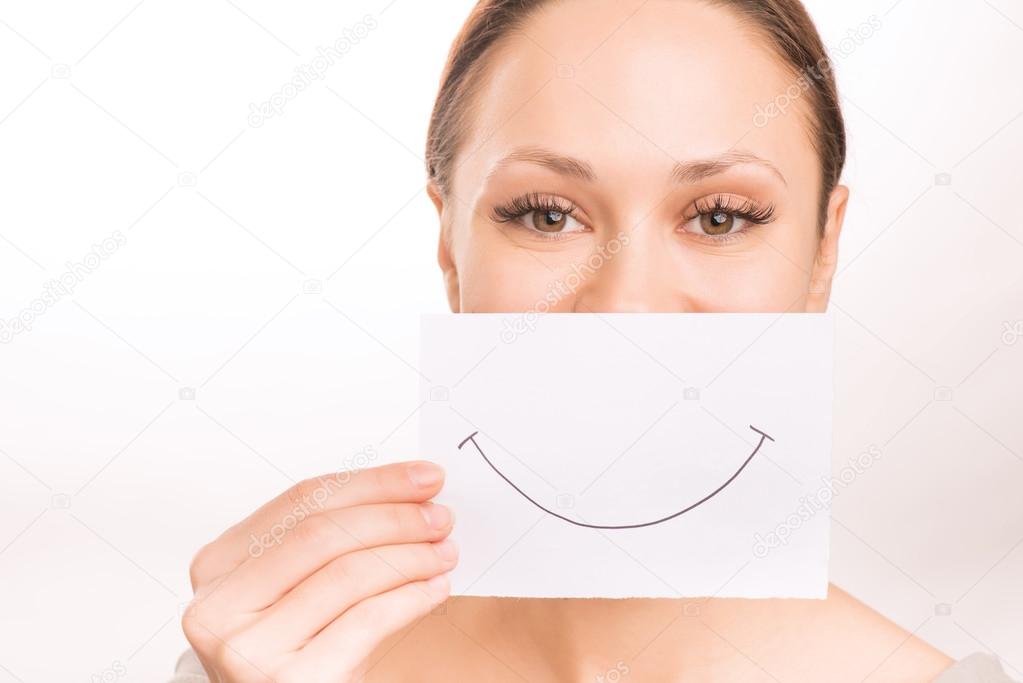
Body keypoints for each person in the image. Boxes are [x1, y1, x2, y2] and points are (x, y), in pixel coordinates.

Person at [171, 1, 1019, 680]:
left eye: (719, 216)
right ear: (449, 246)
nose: (629, 308)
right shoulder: (281, 662)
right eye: (546, 215)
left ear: (821, 252)